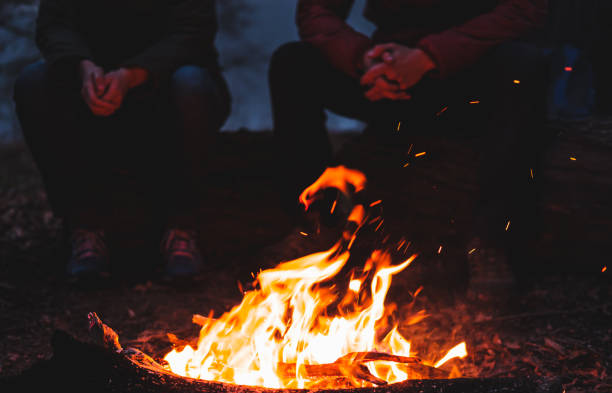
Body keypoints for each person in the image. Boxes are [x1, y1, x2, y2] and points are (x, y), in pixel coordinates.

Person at [269, 0, 550, 292]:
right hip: (384, 78)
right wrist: (364, 59)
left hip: (467, 80)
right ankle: (316, 223)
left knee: (525, 66)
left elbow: (526, 10)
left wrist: (429, 58)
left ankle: (492, 240)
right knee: (292, 63)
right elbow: (316, 10)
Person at [13, 0, 231, 278]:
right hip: (90, 81)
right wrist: (82, 66)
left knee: (192, 86)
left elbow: (194, 31)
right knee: (33, 82)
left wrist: (132, 75)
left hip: (167, 80)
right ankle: (85, 228)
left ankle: (182, 229)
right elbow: (52, 24)